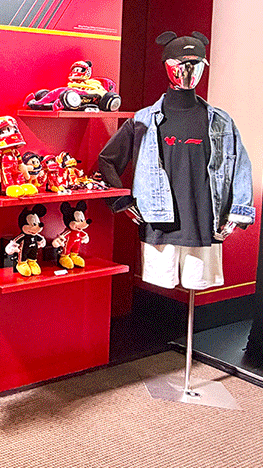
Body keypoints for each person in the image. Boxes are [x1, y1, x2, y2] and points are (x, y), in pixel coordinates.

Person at [98, 31, 254, 290]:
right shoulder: (143, 121)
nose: (189, 71)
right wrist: (121, 202)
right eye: (182, 64)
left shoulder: (221, 122)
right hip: (159, 224)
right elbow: (107, 160)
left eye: (196, 64)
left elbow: (241, 167)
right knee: (161, 283)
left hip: (206, 224)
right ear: (167, 66)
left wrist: (238, 213)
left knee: (199, 284)